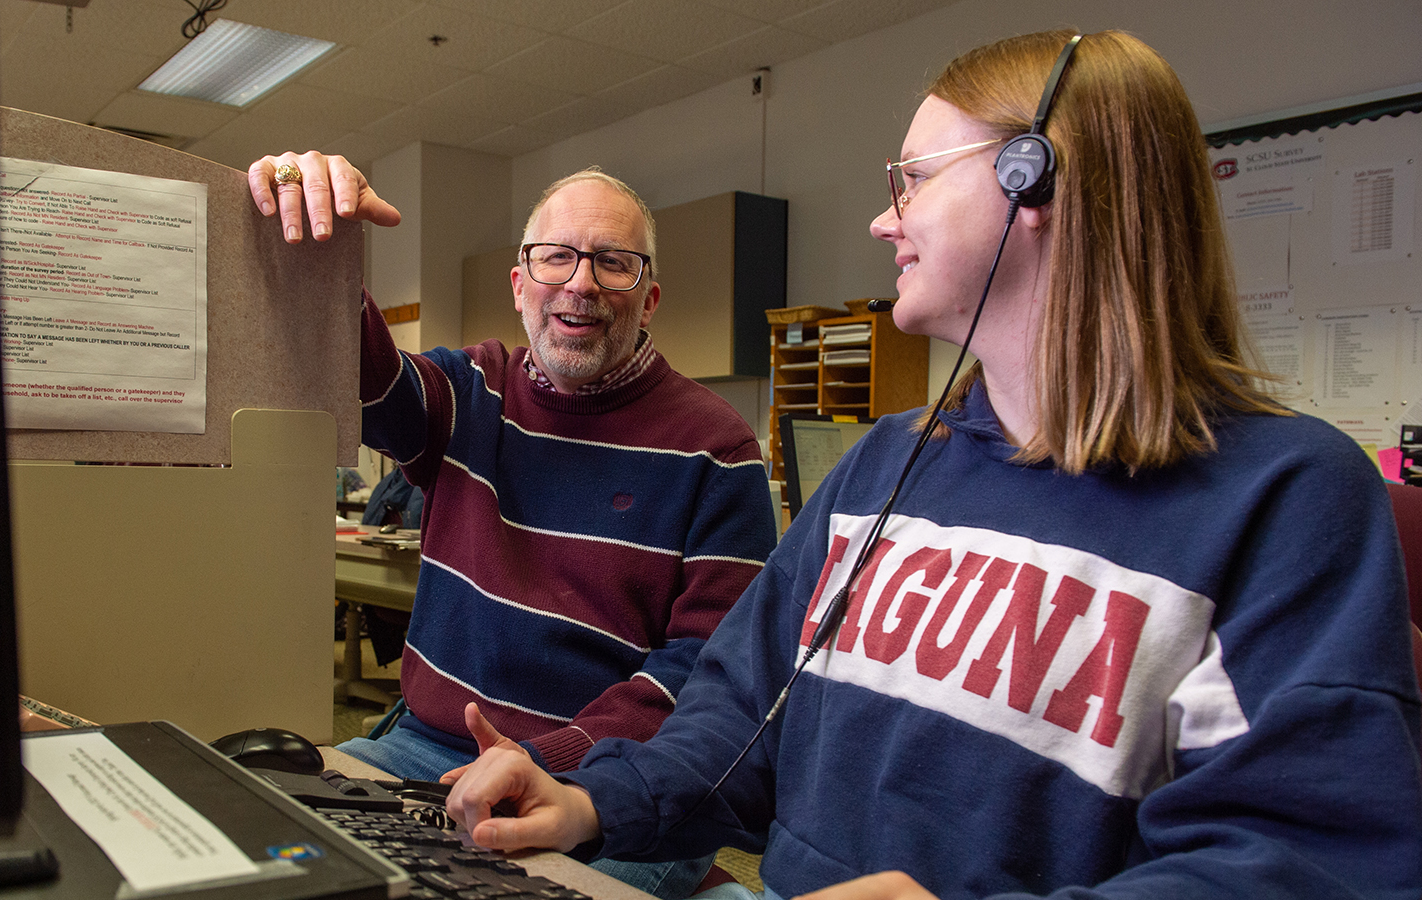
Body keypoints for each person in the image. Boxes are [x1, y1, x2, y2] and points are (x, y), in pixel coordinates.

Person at [435, 29, 1422, 900]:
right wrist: (588, 800)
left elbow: (1302, 860)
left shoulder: (1286, 498)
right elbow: (738, 717)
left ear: (1032, 179)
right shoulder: (883, 468)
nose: (883, 217)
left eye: (913, 177)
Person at [249, 152, 779, 898]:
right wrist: (324, 245)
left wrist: (558, 758)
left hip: (608, 782)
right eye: (555, 257)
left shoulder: (718, 449)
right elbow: (371, 384)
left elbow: (705, 674)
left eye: (613, 263)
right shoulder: (472, 392)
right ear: (520, 284)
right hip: (426, 750)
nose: (581, 282)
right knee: (287, 869)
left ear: (650, 297)